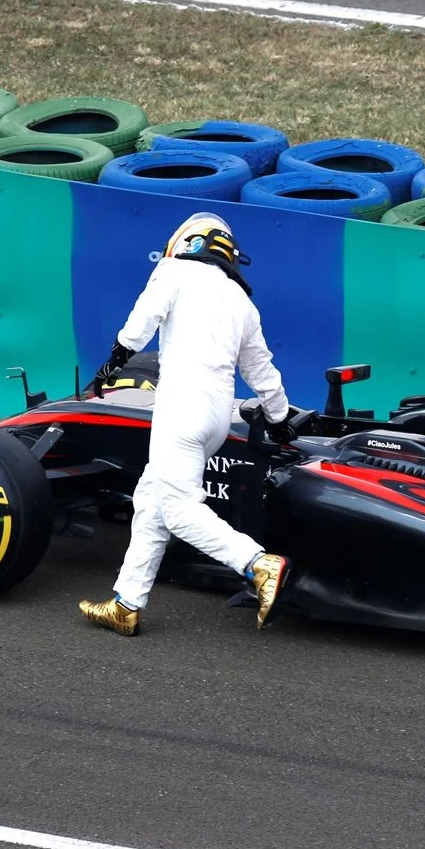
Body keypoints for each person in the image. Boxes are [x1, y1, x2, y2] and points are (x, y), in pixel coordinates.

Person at [79, 212, 297, 636]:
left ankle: (257, 563)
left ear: (190, 243)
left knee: (178, 510)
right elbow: (262, 372)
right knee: (151, 500)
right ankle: (126, 604)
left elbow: (141, 323)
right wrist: (280, 417)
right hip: (217, 414)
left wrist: (113, 361)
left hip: (181, 406)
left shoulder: (174, 270)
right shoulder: (242, 303)